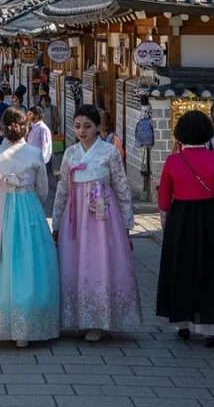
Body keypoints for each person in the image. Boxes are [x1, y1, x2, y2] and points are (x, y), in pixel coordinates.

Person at [0, 107, 60, 348]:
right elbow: (42, 191)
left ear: (1, 128)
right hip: (29, 210)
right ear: (25, 128)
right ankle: (27, 325)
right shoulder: (35, 153)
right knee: (30, 261)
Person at [156, 110, 214, 348]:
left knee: (181, 269)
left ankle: (183, 324)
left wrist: (165, 221)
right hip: (212, 219)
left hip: (181, 219)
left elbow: (164, 197)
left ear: (180, 134)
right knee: (211, 270)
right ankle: (210, 330)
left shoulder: (173, 161)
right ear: (207, 133)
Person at [53, 105, 141, 342]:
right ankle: (79, 317)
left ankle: (99, 320)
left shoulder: (109, 152)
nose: (82, 131)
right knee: (74, 262)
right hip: (75, 215)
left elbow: (121, 186)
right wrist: (57, 221)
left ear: (98, 127)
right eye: (77, 126)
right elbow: (62, 189)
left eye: (87, 126)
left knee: (99, 262)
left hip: (102, 217)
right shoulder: (70, 153)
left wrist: (127, 221)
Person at [25, 106, 53, 171]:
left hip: (40, 162)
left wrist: (41, 162)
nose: (27, 116)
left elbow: (45, 147)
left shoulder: (42, 128)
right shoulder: (31, 126)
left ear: (36, 116)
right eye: (27, 114)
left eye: (30, 114)